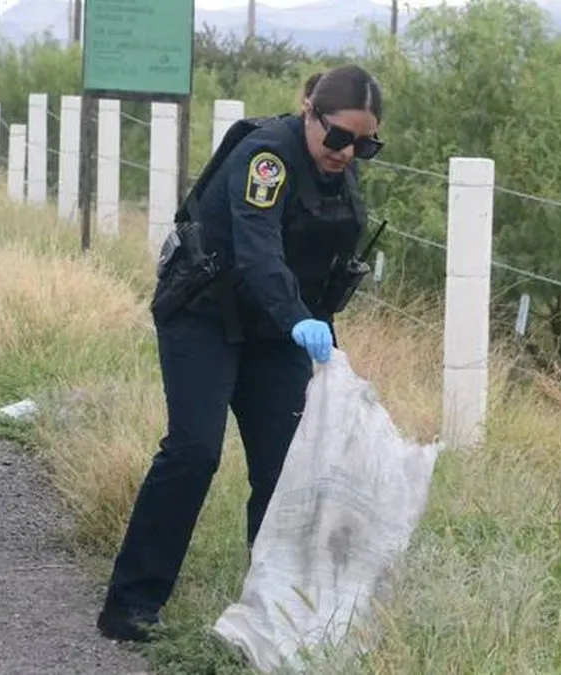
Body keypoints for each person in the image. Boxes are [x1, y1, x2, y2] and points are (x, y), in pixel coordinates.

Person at [96, 64, 386, 643]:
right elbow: (257, 251)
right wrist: (299, 319)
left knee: (284, 467)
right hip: (204, 313)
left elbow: (321, 266)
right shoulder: (266, 159)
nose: (348, 152)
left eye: (365, 143)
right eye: (338, 136)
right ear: (310, 112)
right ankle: (131, 605)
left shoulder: (339, 177)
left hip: (276, 330)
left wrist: (318, 330)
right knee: (194, 450)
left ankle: (271, 610)